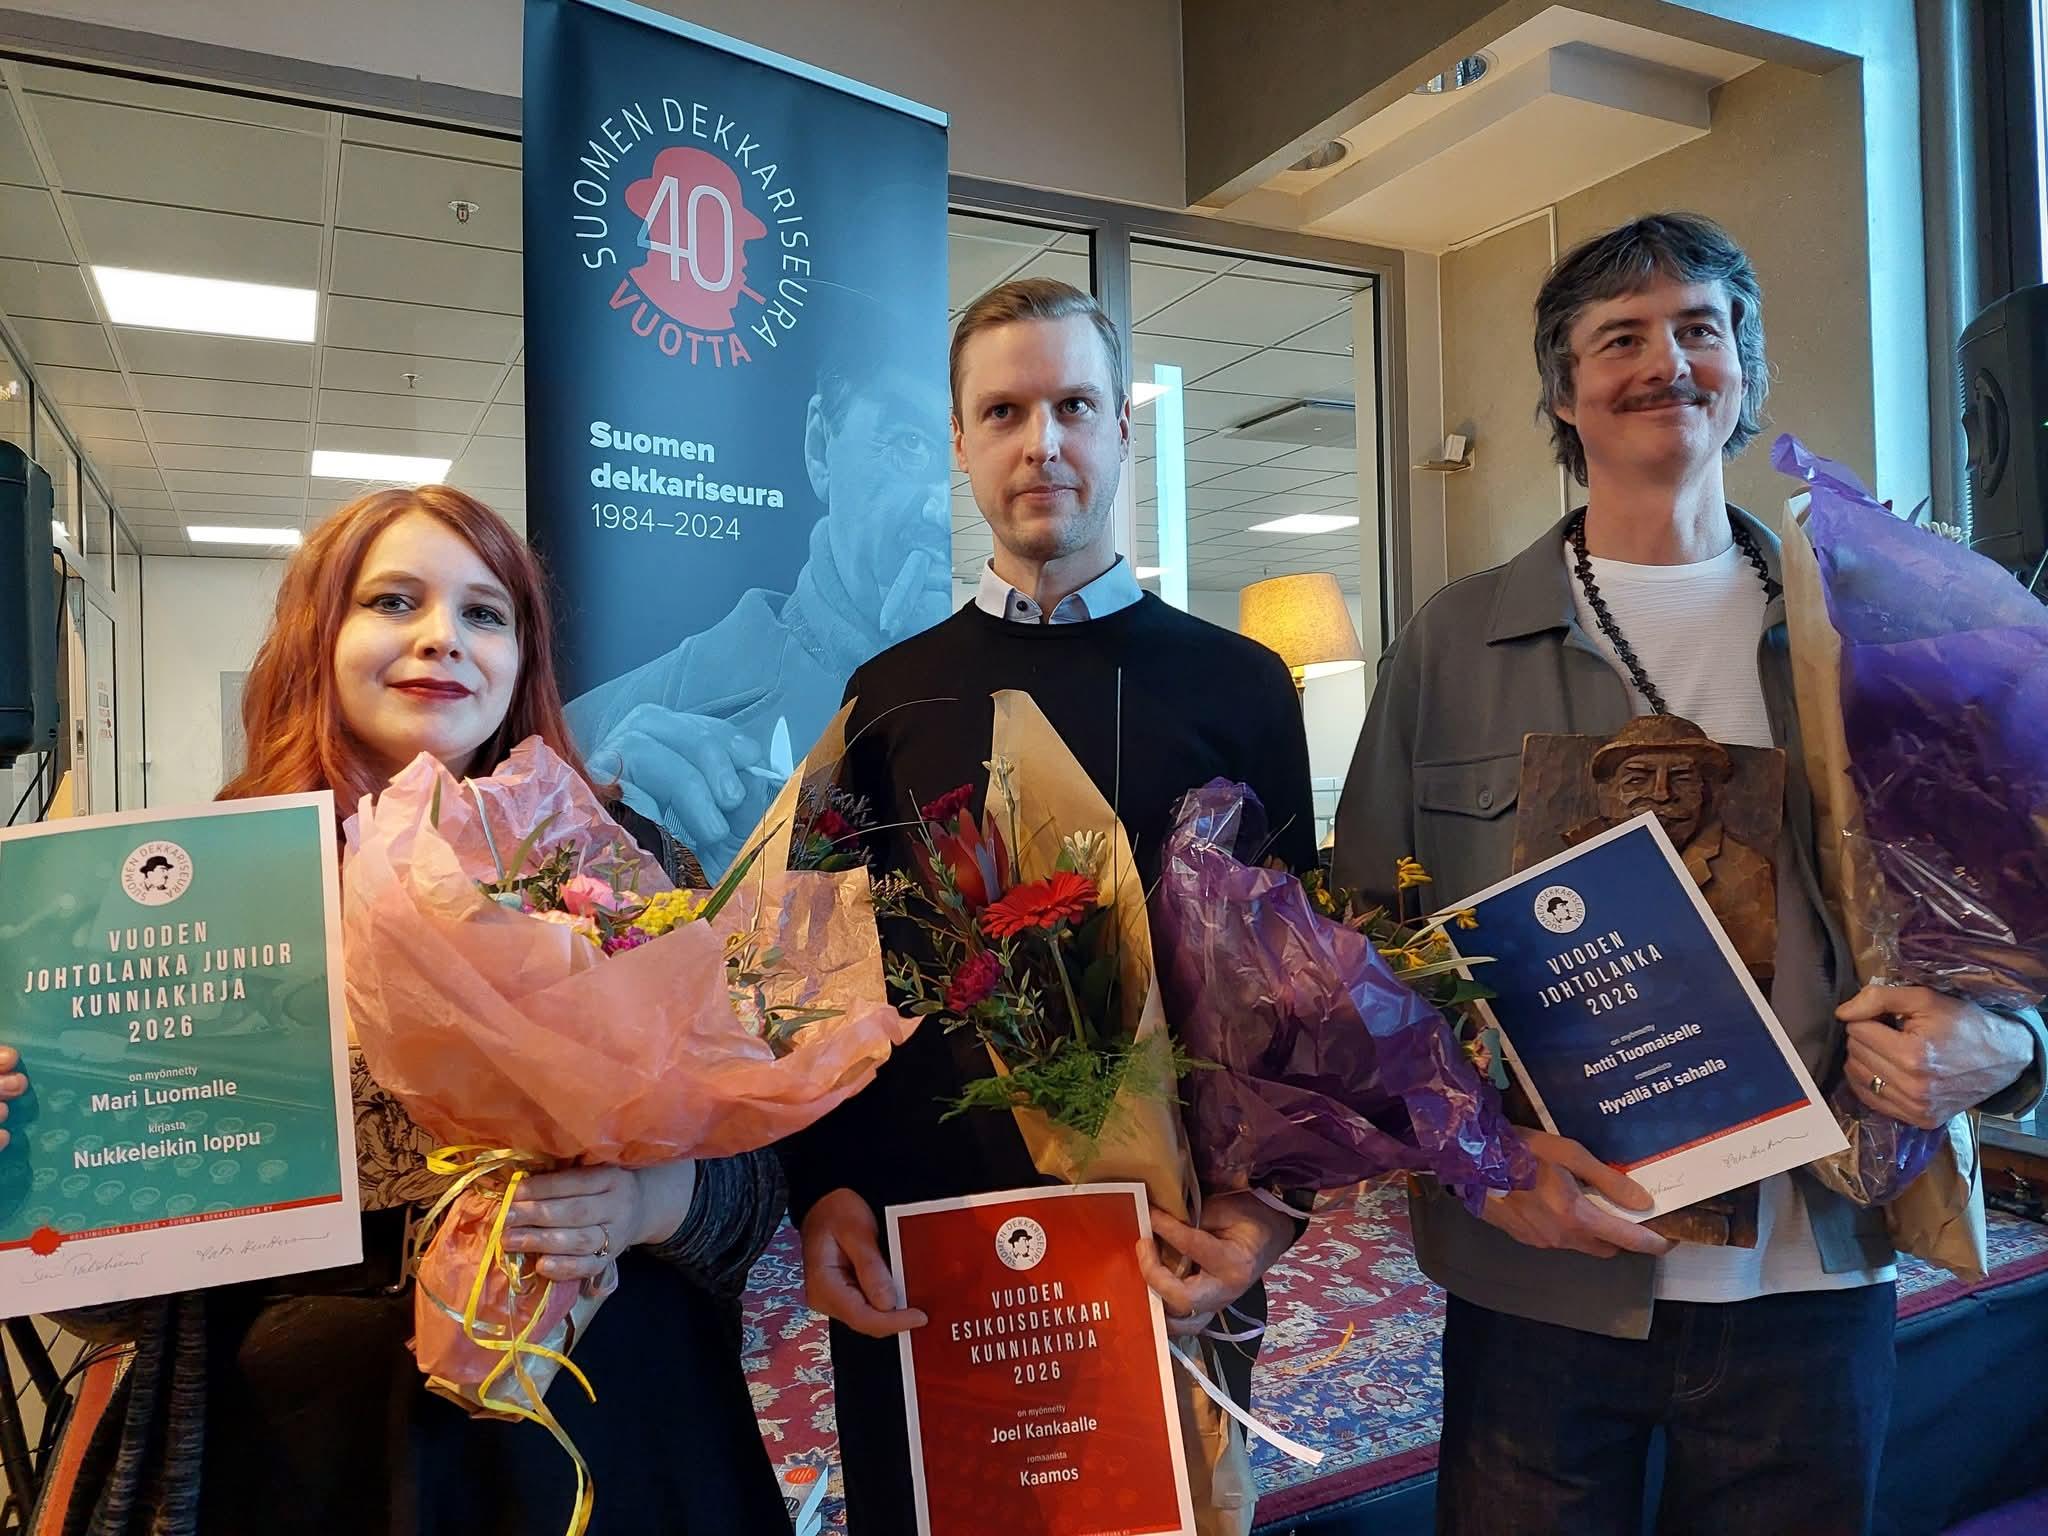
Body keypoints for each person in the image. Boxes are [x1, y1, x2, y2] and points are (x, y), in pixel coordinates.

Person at [1333, 212, 2048, 1536]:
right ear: (1563, 392)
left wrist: (2007, 1046)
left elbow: (1999, 920)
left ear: (1744, 369)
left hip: (1814, 1274)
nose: (1665, 362)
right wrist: (1484, 1156)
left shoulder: (1881, 629)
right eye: (1620, 337)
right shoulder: (1453, 643)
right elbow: (1366, 952)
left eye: (1698, 330)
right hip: (1542, 1282)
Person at [24, 486, 789, 1535]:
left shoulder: (631, 861)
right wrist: (39, 1156)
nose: (442, 637)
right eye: (392, 601)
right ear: (319, 636)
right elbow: (102, 1298)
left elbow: (754, 1193)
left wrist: (645, 1202)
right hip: (299, 1446)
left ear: (523, 655)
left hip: (603, 1416)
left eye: (485, 613)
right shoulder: (204, 893)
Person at [778, 277, 1319, 1531]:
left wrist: (1264, 1212)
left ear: (1120, 429)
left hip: (1171, 1243)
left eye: (1073, 406)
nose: (1041, 443)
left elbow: (1302, 985)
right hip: (928, 1244)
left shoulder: (1241, 687)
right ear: (960, 441)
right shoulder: (883, 698)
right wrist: (824, 1187)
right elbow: (816, 979)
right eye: (1003, 412)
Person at [566, 313, 953, 877]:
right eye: (909, 444)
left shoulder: (1016, 701)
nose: (943, 509)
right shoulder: (596, 735)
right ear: (820, 446)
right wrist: (604, 835)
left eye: (965, 455)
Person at [1569, 712, 1776, 974]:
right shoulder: (1572, 867)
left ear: (1707, 794)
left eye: (1682, 779)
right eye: (1637, 779)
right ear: (1607, 795)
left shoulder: (1745, 868)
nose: (1662, 794)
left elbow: (1756, 971)